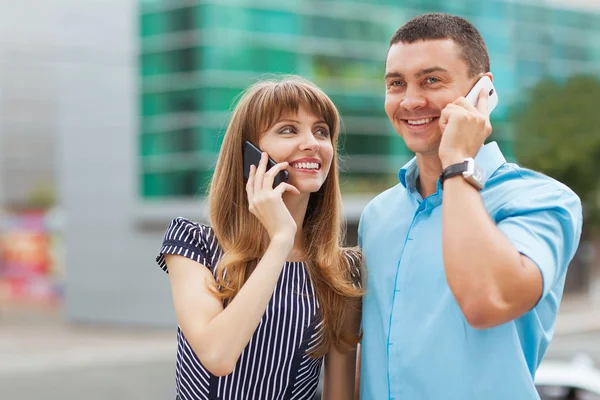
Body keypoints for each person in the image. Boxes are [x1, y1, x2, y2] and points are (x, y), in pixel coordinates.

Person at [358, 13, 583, 400]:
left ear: (483, 91)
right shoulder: (376, 215)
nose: (410, 101)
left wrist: (458, 163)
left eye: (432, 80)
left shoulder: (544, 200)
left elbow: (487, 301)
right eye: (396, 83)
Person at [155, 75, 363, 400]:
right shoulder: (195, 244)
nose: (312, 142)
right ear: (250, 152)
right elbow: (217, 355)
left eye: (321, 131)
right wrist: (281, 239)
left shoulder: (340, 268)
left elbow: (341, 393)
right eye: (288, 129)